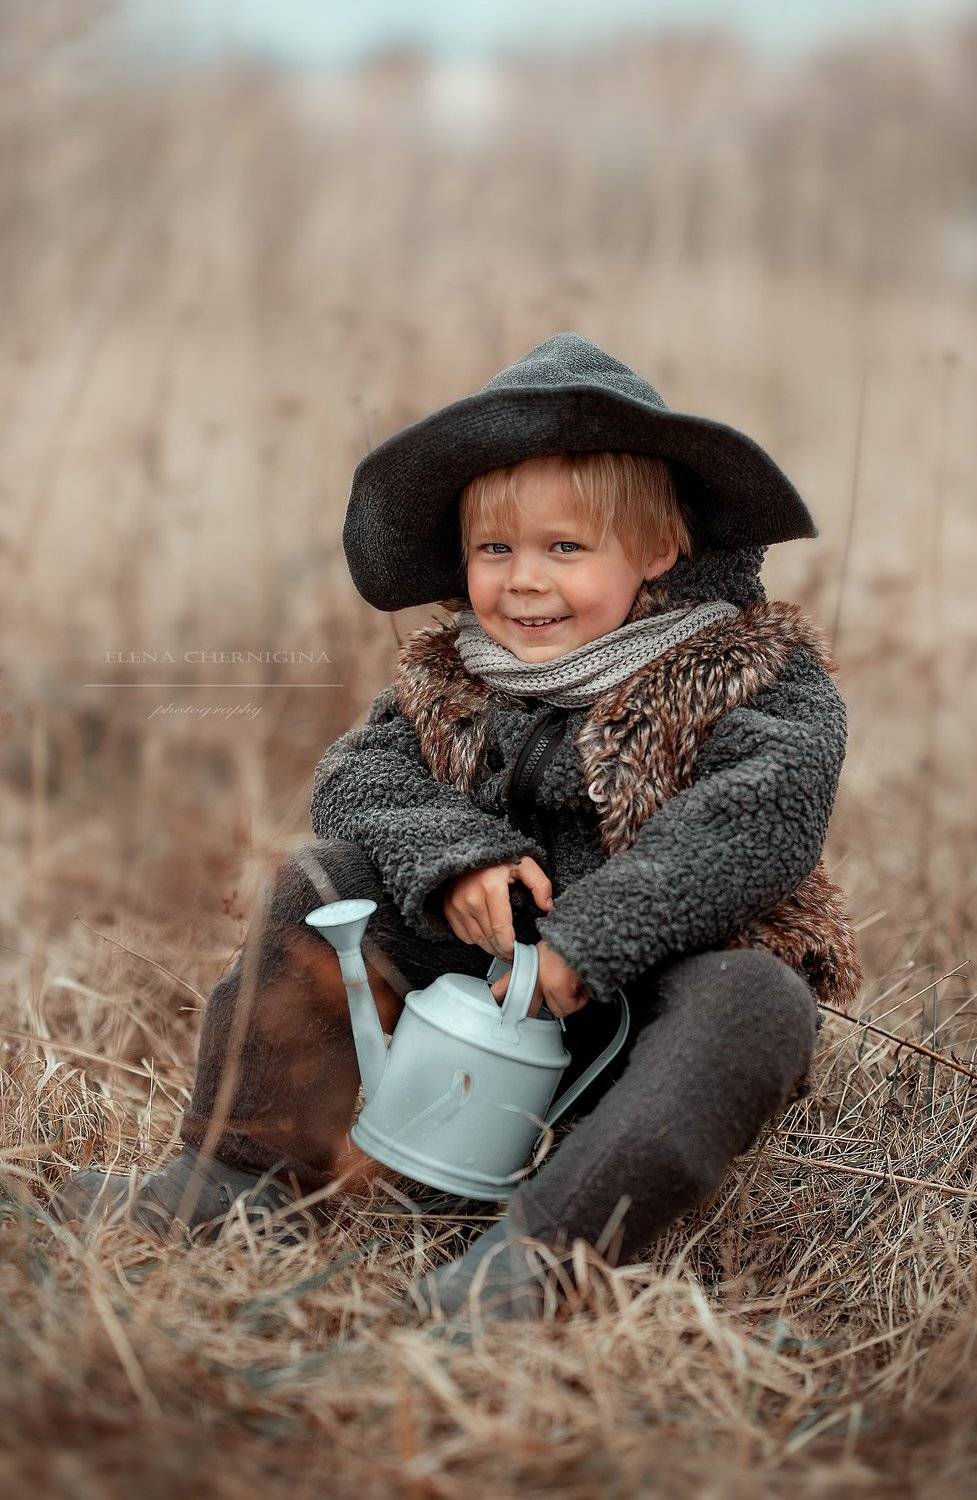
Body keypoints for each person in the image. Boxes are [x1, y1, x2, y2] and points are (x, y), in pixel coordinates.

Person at [54, 333, 863, 1324]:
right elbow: (358, 778)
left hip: (655, 986)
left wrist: (591, 939)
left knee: (757, 1002)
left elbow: (754, 819)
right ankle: (239, 1171)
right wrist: (455, 858)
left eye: (565, 548)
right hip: (477, 985)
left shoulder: (753, 676)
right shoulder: (457, 673)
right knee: (327, 876)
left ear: (659, 550)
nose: (523, 581)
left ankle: (540, 1252)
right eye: (496, 550)